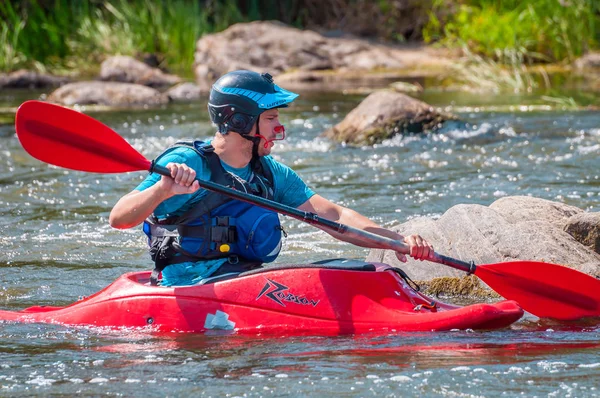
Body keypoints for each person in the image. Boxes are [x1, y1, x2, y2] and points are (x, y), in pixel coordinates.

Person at [109, 70, 434, 286]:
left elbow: (335, 216)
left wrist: (395, 240)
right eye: (271, 118)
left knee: (357, 271)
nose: (279, 129)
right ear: (239, 120)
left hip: (243, 280)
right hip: (188, 286)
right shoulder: (186, 162)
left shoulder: (269, 172)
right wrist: (163, 190)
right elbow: (119, 217)